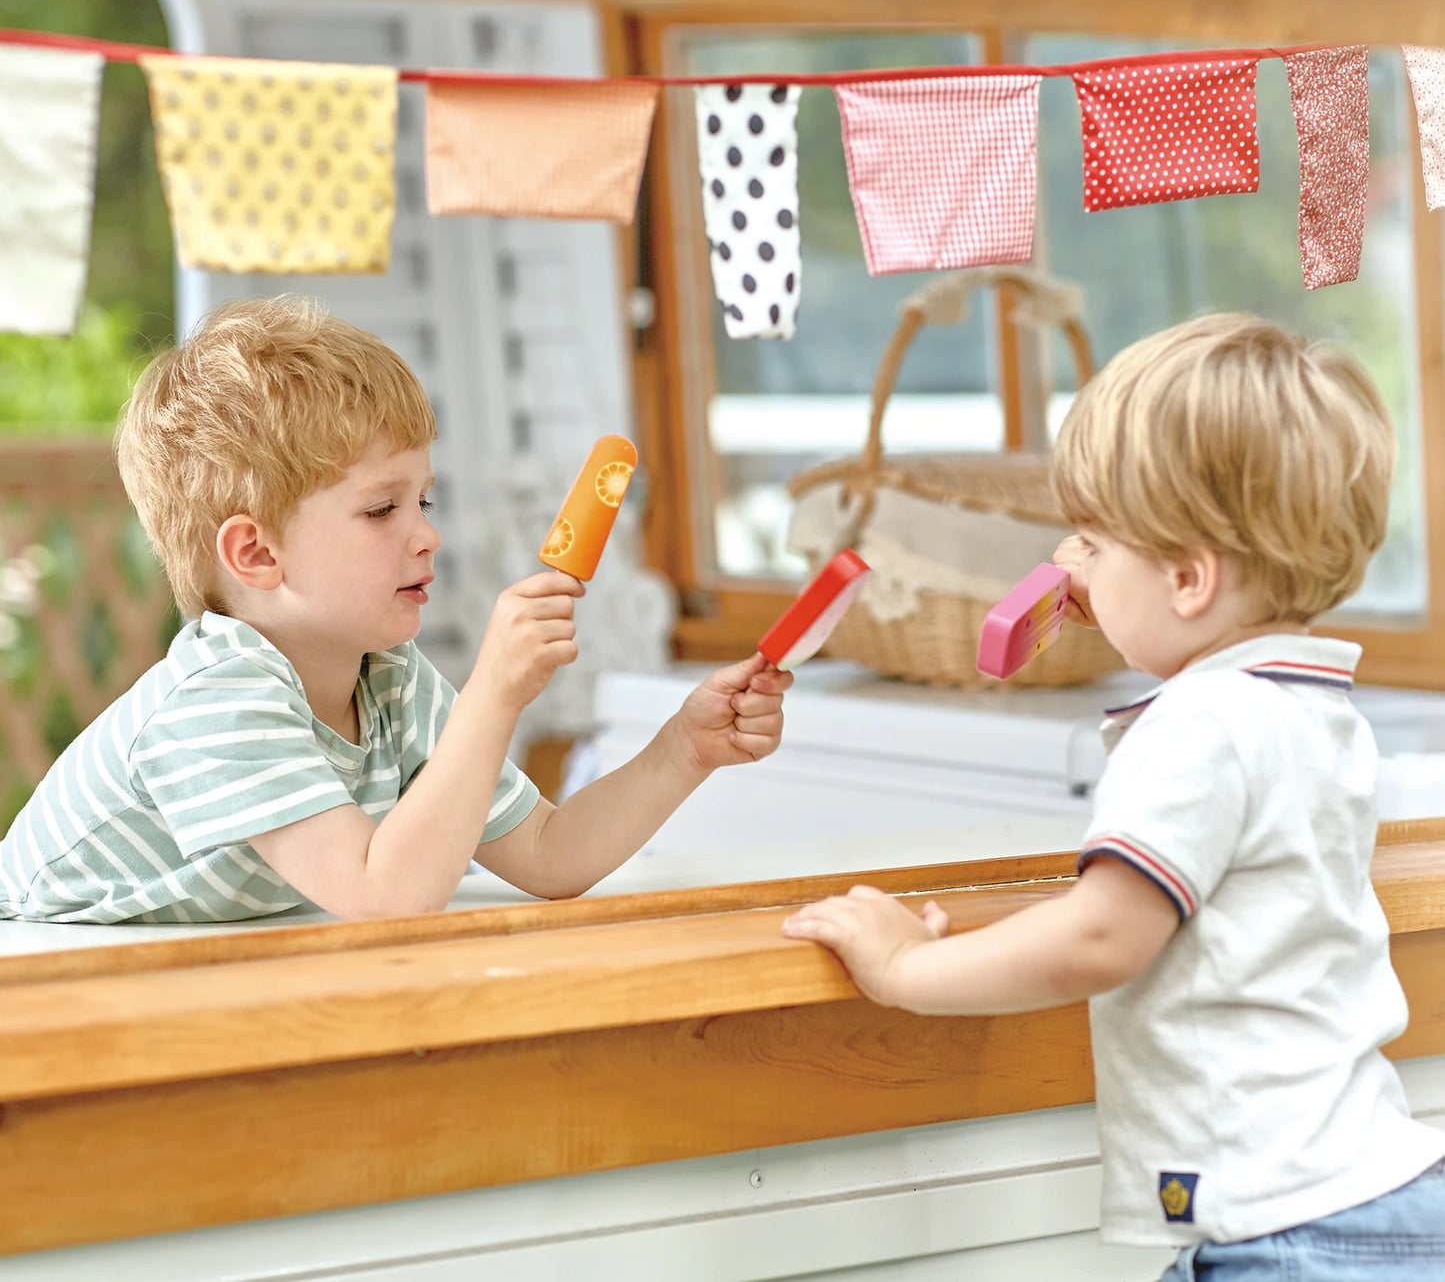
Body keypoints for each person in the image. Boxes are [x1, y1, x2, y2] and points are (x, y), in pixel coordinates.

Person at [783, 314, 1445, 1279]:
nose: (1064, 562)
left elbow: (1102, 935)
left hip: (1272, 1227)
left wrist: (903, 969)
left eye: (1091, 540)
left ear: (1185, 578)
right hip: (1364, 1184)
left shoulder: (1197, 722)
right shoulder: (1310, 708)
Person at [0, 295, 790, 924]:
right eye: (382, 509)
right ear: (255, 554)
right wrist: (495, 691)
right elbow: (384, 898)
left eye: (425, 498)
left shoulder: (391, 683)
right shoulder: (218, 701)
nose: (426, 534)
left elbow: (550, 854)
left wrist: (681, 749)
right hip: (37, 971)